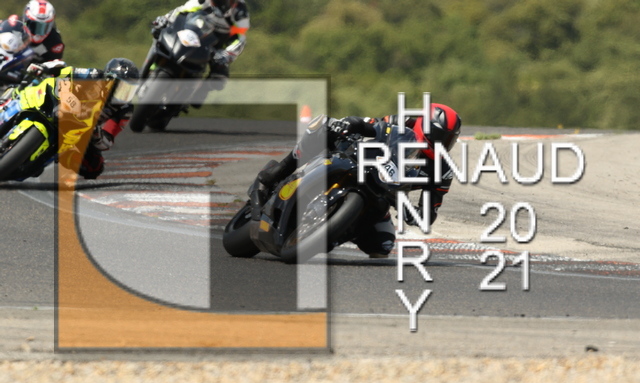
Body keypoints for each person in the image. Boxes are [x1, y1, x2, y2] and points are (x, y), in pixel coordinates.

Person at [256, 103, 462, 258]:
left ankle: (334, 232)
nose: (442, 143)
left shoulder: (442, 171)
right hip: (354, 160)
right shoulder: (399, 122)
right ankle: (279, 171)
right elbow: (367, 125)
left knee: (382, 247)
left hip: (383, 194)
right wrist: (349, 125)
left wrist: (412, 212)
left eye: (448, 139)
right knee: (322, 124)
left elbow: (429, 214)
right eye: (438, 136)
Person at [25, 58, 139, 179]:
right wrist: (45, 68)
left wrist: (96, 134)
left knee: (94, 167)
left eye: (129, 89)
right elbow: (67, 71)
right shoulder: (94, 75)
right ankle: (16, 99)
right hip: (63, 105)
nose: (124, 94)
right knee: (50, 79)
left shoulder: (125, 109)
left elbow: (108, 141)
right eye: (122, 87)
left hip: (83, 129)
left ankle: (49, 156)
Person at [151, 0, 249, 94]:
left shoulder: (241, 12)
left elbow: (241, 39)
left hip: (217, 48)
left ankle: (198, 93)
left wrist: (227, 54)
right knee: (160, 33)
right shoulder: (203, 1)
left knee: (219, 77)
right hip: (195, 35)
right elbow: (182, 10)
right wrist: (165, 19)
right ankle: (150, 67)